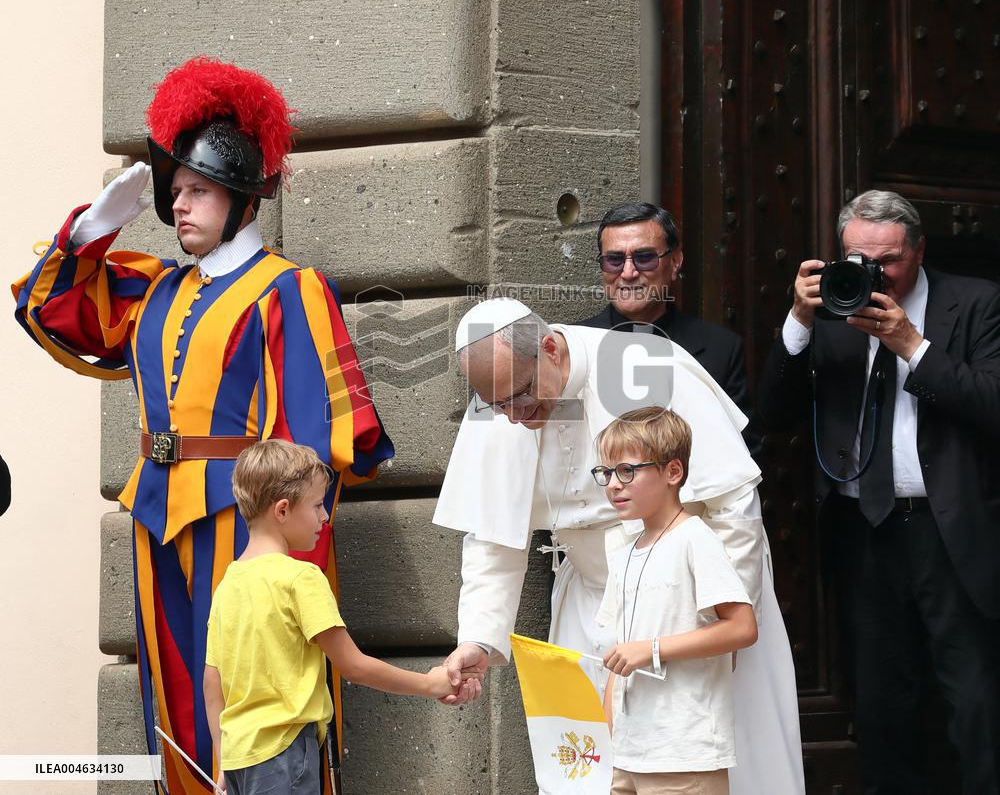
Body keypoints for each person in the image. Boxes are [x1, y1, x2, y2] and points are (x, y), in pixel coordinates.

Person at [12, 57, 393, 795]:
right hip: (156, 508)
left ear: (243, 199)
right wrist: (95, 227)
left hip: (243, 517)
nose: (179, 205)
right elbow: (47, 306)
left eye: (197, 190)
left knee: (258, 693)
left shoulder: (290, 289)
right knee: (176, 701)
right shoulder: (157, 288)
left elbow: (314, 442)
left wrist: (281, 553)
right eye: (174, 191)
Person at [433, 297, 805, 795]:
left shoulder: (641, 364)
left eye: (521, 397)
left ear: (550, 349)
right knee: (588, 774)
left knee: (714, 765)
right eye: (497, 406)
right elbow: (492, 539)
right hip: (593, 605)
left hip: (691, 605)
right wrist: (477, 640)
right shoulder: (499, 408)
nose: (514, 418)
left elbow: (732, 503)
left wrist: (715, 622)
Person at [756, 189, 1000, 795]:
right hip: (864, 528)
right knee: (880, 701)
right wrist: (798, 321)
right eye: (858, 258)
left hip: (949, 531)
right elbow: (773, 414)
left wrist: (911, 346)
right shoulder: (832, 309)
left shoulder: (976, 303)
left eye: (888, 260)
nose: (873, 273)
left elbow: (992, 404)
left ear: (918, 250)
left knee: (975, 698)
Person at [205, 440, 457, 795]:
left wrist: (221, 762)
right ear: (282, 510)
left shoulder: (227, 584)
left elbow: (212, 683)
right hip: (285, 754)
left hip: (237, 760)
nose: (324, 516)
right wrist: (432, 684)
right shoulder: (301, 578)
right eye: (317, 504)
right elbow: (354, 666)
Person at [596, 407, 757, 795]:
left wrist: (651, 649)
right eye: (606, 472)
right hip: (627, 755)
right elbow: (620, 656)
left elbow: (742, 627)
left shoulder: (695, 539)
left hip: (685, 754)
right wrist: (605, 741)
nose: (614, 484)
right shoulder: (623, 551)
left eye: (627, 470)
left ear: (673, 472)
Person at [577, 202, 752, 420]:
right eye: (614, 260)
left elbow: (739, 450)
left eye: (644, 258)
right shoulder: (573, 346)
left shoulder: (722, 350)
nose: (628, 273)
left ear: (675, 262)